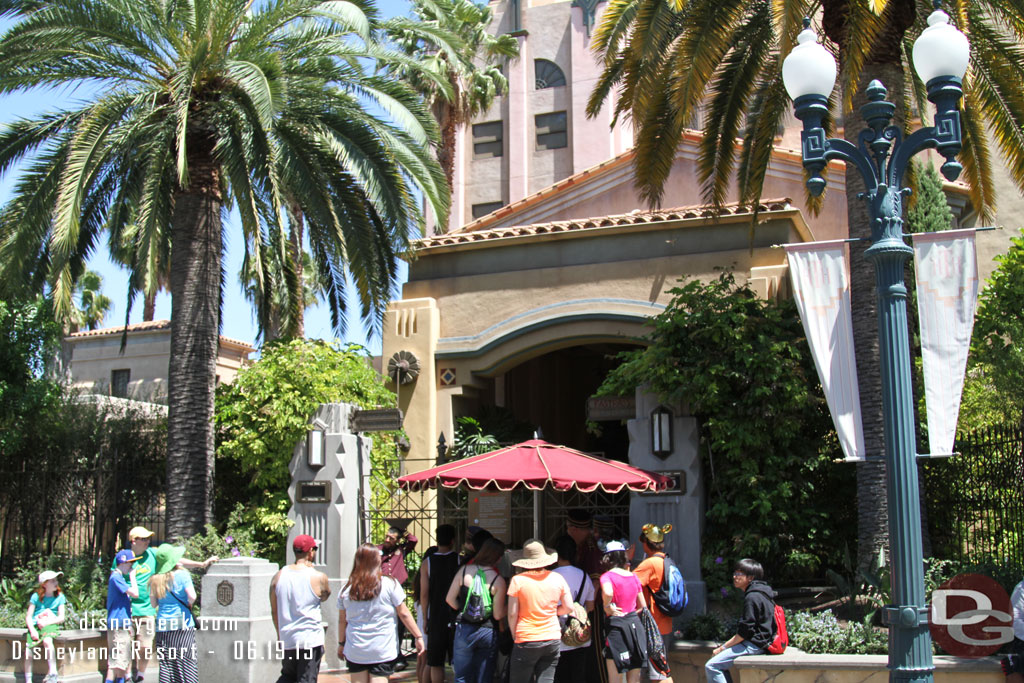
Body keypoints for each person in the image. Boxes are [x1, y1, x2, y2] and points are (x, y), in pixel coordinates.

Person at [113, 526, 217, 683]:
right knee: (184, 661)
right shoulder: (123, 557)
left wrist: (201, 564)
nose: (147, 542)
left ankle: (140, 675)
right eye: (144, 539)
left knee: (155, 654)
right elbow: (116, 577)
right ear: (133, 541)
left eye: (148, 538)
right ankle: (127, 677)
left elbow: (175, 561)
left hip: (152, 614)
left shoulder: (153, 556)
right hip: (129, 610)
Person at [338, 543, 425, 682]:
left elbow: (342, 620)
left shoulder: (346, 589)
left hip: (356, 648)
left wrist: (341, 644)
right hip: (382, 648)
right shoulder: (390, 584)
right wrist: (418, 636)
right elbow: (403, 613)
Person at [507, 539, 573, 683]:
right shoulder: (557, 578)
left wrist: (514, 633)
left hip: (526, 636)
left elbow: (512, 613)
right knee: (546, 679)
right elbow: (569, 607)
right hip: (552, 636)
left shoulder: (518, 581)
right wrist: (553, 611)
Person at [270, 534, 332, 683]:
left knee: (288, 676)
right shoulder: (318, 577)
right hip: (309, 639)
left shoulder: (278, 577)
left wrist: (280, 634)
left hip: (288, 638)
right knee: (306, 679)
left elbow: (274, 610)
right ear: (311, 551)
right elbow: (325, 595)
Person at [446, 538, 508, 683]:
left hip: (464, 628)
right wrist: (510, 607)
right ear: (497, 557)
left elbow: (449, 599)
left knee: (461, 676)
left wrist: (463, 609)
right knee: (484, 676)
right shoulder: (498, 580)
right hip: (487, 631)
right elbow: (498, 614)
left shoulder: (464, 571)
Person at [705, 559, 774, 683]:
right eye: (735, 573)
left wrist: (722, 648)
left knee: (712, 666)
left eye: (739, 574)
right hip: (762, 643)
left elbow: (744, 632)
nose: (734, 577)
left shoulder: (752, 597)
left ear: (750, 578)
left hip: (754, 645)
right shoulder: (763, 593)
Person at [149, 544, 199, 683]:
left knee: (166, 664)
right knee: (187, 662)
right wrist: (188, 603)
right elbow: (192, 596)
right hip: (182, 624)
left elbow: (153, 604)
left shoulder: (155, 579)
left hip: (163, 625)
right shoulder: (182, 575)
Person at [600, 541, 647, 683]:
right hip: (635, 627)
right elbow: (643, 606)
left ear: (607, 558)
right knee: (634, 679)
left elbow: (608, 592)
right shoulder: (633, 577)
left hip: (616, 629)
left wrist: (607, 606)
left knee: (615, 678)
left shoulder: (607, 576)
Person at [633, 523, 675, 683]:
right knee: (660, 669)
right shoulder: (667, 560)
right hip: (664, 624)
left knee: (658, 673)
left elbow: (628, 583)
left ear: (645, 543)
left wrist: (626, 561)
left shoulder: (649, 564)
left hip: (652, 627)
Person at [552, 535, 595, 683]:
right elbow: (590, 606)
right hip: (580, 635)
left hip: (558, 634)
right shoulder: (584, 576)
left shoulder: (551, 576)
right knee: (578, 677)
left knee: (560, 677)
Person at [420, 524, 460, 683]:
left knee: (436, 661)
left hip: (435, 616)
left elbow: (424, 593)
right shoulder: (458, 559)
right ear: (452, 540)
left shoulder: (428, 562)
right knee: (457, 658)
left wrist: (424, 616)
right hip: (454, 614)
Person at [24, 569, 66, 683]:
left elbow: (61, 617)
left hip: (50, 623)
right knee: (28, 651)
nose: (56, 582)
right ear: (44, 584)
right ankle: (28, 680)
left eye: (56, 580)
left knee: (48, 641)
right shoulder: (36, 597)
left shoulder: (60, 597)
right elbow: (29, 616)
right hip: (36, 625)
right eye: (52, 580)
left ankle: (53, 673)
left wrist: (46, 623)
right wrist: (32, 630)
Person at [107, 550, 141, 683]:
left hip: (120, 622)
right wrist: (133, 577)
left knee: (118, 661)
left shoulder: (118, 578)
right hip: (119, 623)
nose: (132, 567)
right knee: (120, 660)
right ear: (123, 562)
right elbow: (135, 593)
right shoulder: (116, 577)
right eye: (131, 563)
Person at [379, 518, 418, 586]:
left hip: (397, 583)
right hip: (382, 583)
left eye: (391, 538)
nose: (387, 540)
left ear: (398, 541)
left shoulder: (401, 549)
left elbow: (413, 540)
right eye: (387, 537)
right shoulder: (378, 549)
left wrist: (403, 532)